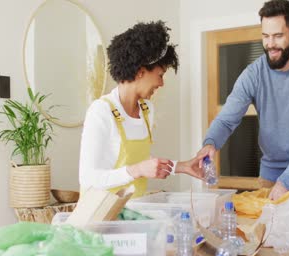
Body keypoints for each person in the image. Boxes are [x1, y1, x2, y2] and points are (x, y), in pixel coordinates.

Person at [197, 0, 289, 208]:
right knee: (269, 239)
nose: (270, 44)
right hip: (270, 174)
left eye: (278, 36)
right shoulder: (253, 74)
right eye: (265, 36)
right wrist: (210, 143)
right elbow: (226, 119)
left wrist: (286, 180)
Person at [79, 21, 203, 198]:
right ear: (140, 72)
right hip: (100, 217)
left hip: (132, 212)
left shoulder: (146, 110)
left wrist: (181, 166)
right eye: (160, 75)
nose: (161, 83)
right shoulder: (101, 111)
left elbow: (138, 160)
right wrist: (137, 170)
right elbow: (88, 178)